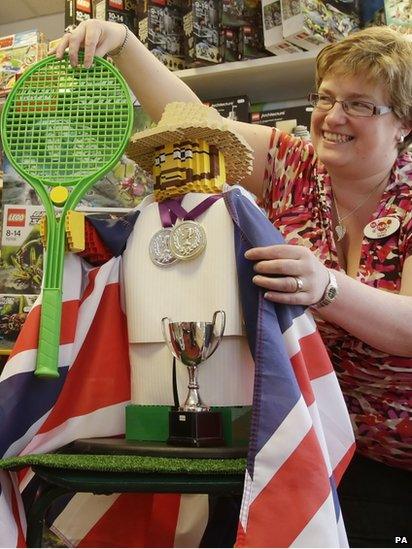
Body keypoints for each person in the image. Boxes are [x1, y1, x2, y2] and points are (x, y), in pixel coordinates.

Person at [55, 22, 412, 547]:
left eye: (360, 105)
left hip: (397, 464)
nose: (332, 118)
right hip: (304, 438)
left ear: (404, 123)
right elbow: (195, 122)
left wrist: (326, 287)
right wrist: (125, 43)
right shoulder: (295, 165)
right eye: (327, 98)